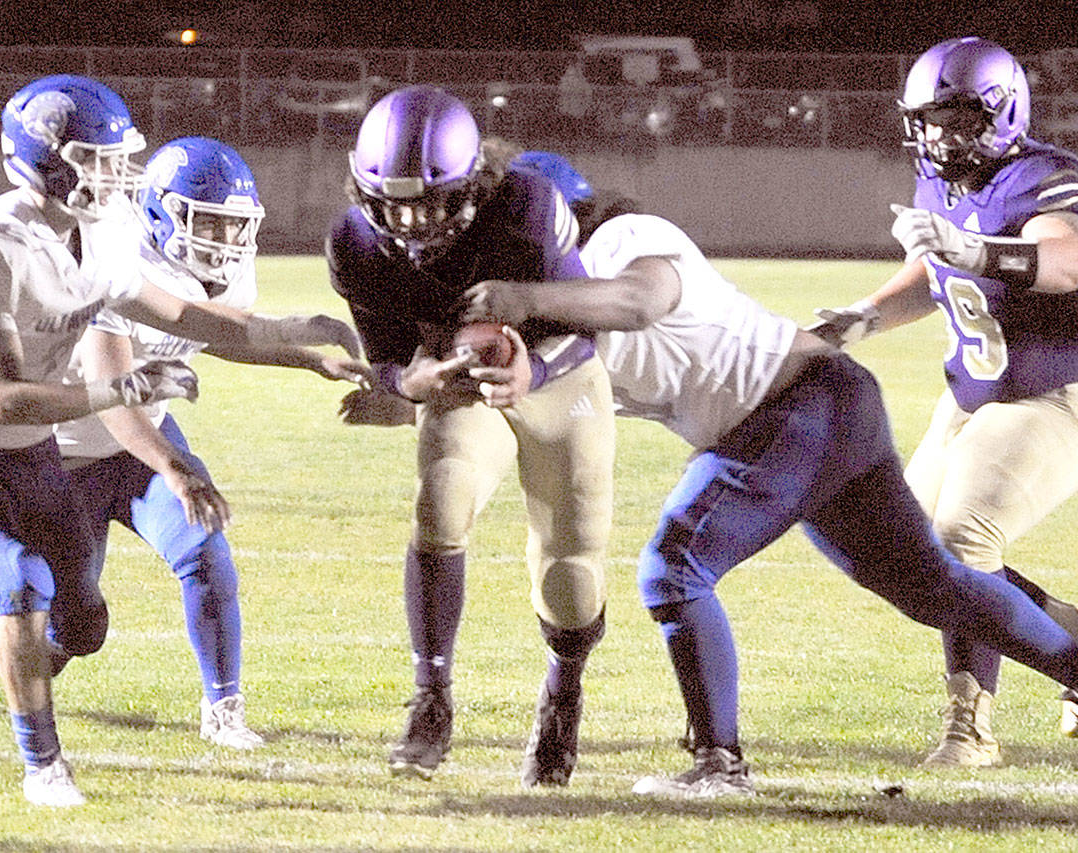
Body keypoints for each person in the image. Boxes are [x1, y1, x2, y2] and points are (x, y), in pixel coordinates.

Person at [461, 155, 1078, 799]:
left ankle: (717, 764)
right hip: (814, 409)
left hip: (795, 407)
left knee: (675, 569)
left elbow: (637, 302)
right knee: (931, 585)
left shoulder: (624, 239)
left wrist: (527, 298)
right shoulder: (551, 315)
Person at [0, 75, 365, 807]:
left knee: (81, 625)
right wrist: (132, 398)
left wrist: (300, 344)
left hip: (37, 449)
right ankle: (43, 766)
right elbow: (7, 397)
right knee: (25, 586)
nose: (117, 175)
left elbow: (190, 316)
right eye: (98, 159)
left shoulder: (108, 232)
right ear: (47, 161)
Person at [326, 85, 615, 788]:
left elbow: (591, 327)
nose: (411, 221)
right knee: (440, 500)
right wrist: (407, 382)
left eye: (429, 201)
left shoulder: (524, 209)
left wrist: (534, 366)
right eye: (393, 204)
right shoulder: (356, 244)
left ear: (472, 185)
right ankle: (431, 695)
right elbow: (392, 356)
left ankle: (563, 690)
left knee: (570, 575)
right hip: (465, 380)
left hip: (558, 377)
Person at [811, 36, 1078, 768]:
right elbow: (931, 274)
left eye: (960, 119)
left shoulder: (1046, 177)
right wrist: (855, 319)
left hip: (1052, 391)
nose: (942, 136)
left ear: (1004, 112)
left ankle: (970, 725)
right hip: (968, 397)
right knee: (904, 555)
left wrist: (973, 250)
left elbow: (1065, 261)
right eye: (930, 120)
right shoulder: (945, 185)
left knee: (963, 539)